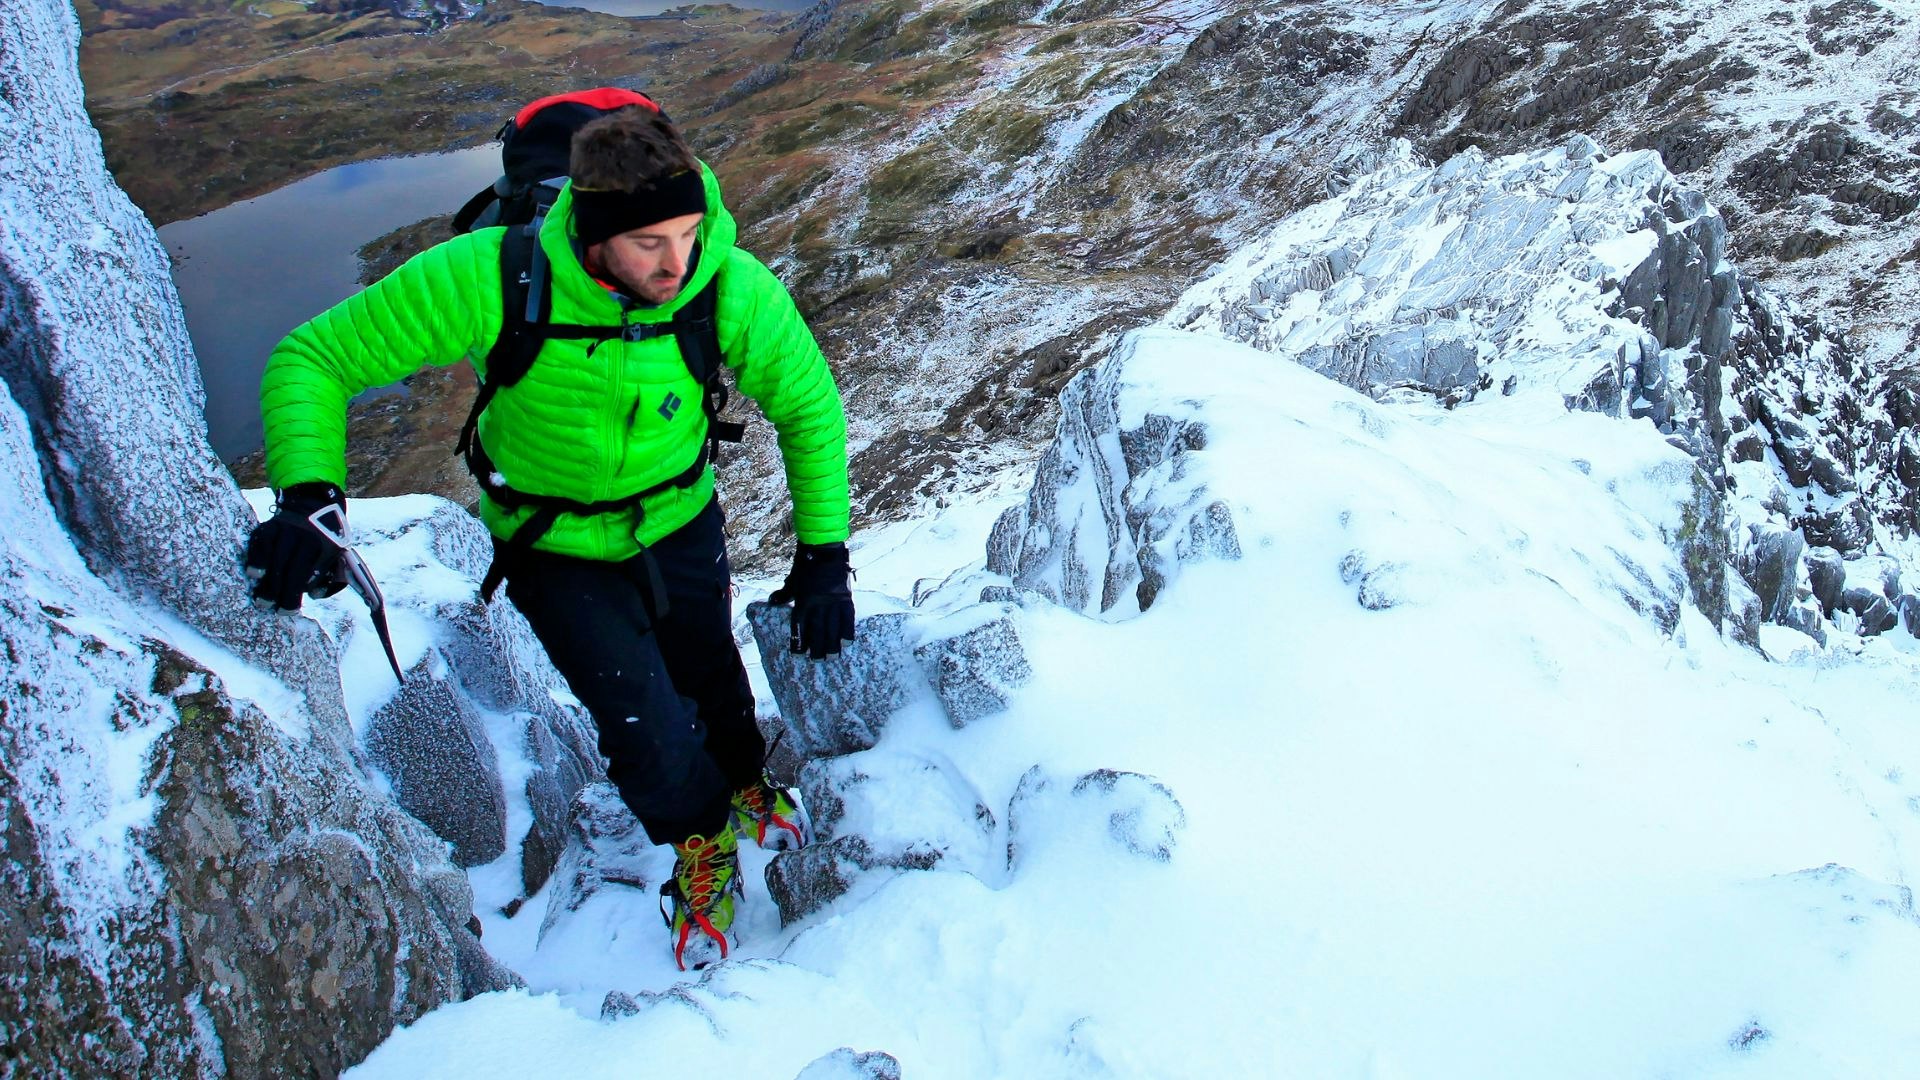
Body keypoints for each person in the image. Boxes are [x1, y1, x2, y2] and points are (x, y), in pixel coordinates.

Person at [242, 105, 855, 971]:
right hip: (552, 546)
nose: (677, 264)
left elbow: (810, 407)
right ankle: (699, 840)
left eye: (689, 233)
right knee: (640, 723)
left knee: (710, 668)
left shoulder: (728, 283)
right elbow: (313, 357)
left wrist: (824, 556)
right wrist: (310, 495)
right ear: (594, 232)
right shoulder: (493, 275)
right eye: (649, 243)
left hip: (679, 518)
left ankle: (746, 778)